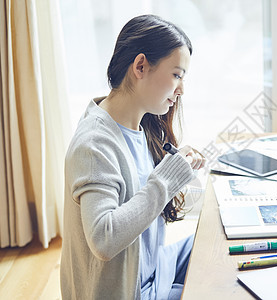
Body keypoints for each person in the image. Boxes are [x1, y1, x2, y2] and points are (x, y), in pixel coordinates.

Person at [60, 14, 205, 300]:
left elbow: (145, 205)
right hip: (130, 291)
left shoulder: (139, 127)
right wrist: (165, 179)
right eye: (177, 75)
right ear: (141, 66)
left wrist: (179, 173)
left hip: (151, 269)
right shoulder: (94, 145)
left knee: (213, 244)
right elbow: (104, 238)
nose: (181, 89)